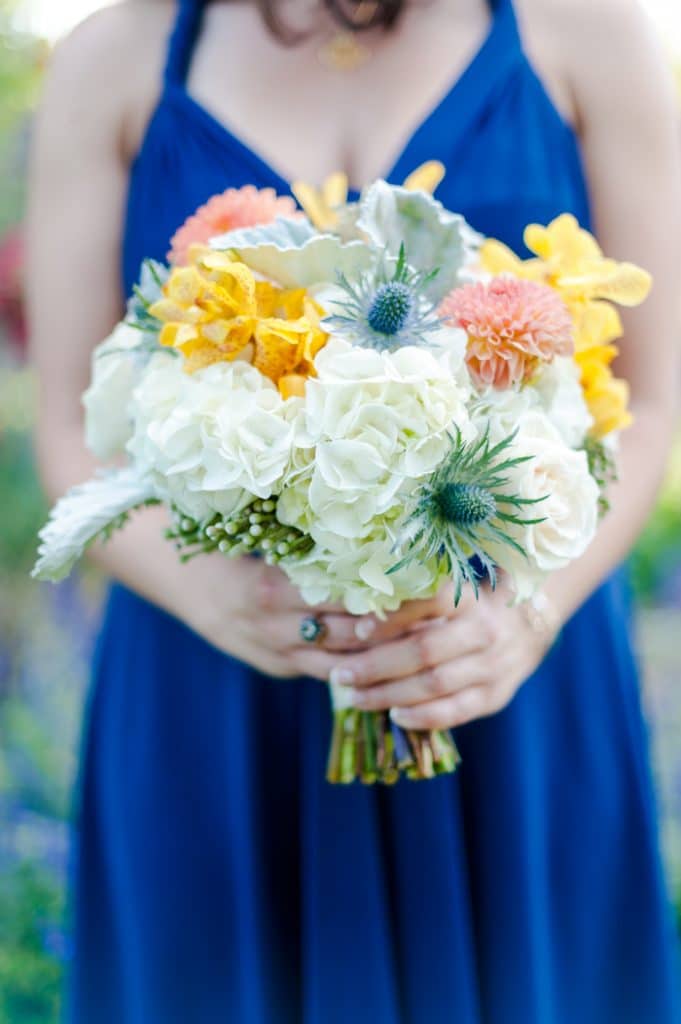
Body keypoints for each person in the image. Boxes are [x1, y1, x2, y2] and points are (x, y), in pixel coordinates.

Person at [27, 0, 681, 1020]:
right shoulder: (111, 60)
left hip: (506, 685)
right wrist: (216, 595)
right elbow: (71, 430)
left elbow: (651, 401)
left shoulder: (591, 32)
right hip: (215, 693)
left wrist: (524, 612)